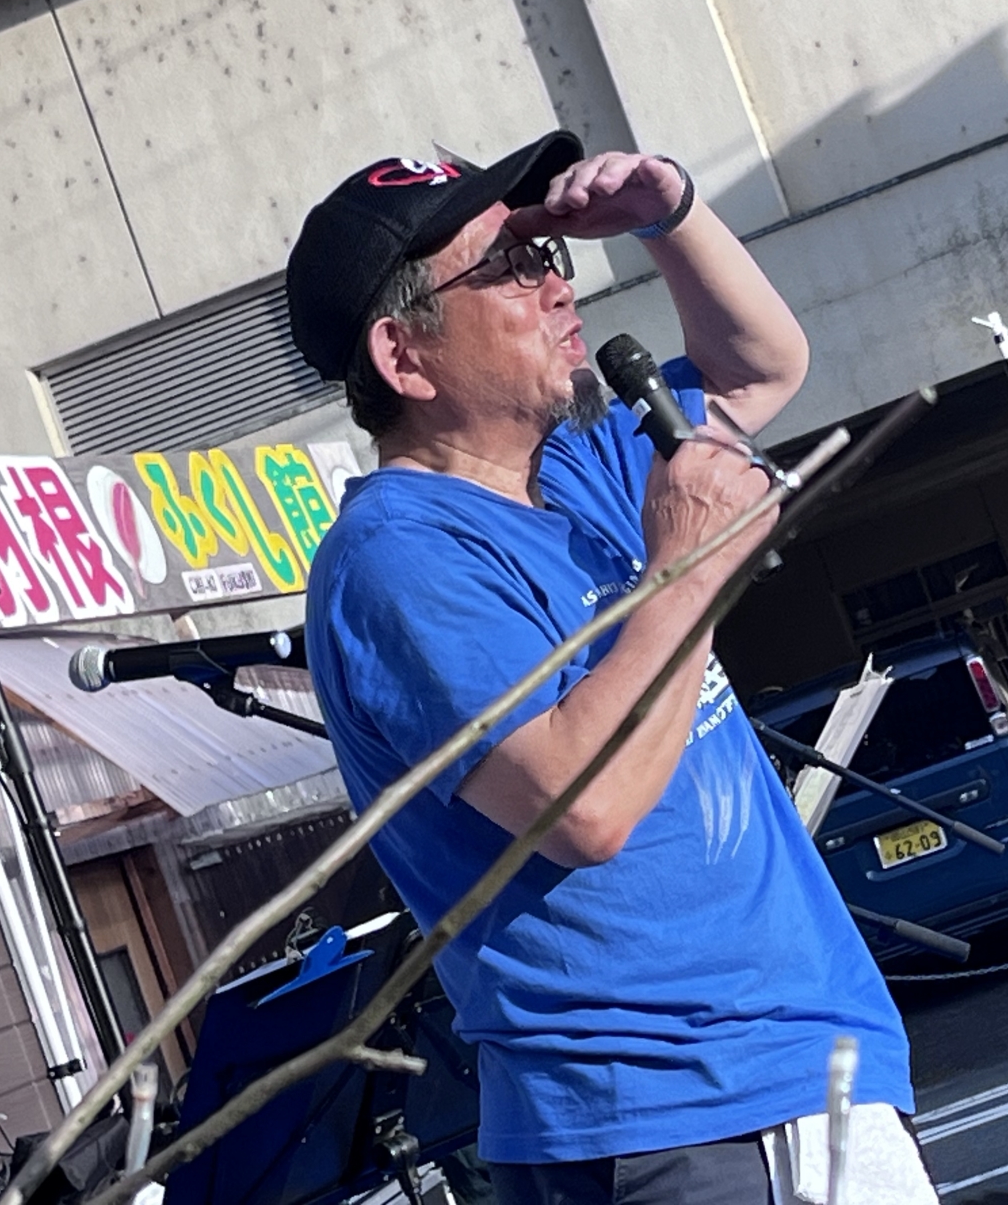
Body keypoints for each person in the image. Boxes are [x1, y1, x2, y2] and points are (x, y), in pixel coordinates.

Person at [286, 135, 934, 1205]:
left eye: (547, 253)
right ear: (404, 357)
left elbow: (760, 366)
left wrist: (668, 216)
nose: (555, 285)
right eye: (508, 267)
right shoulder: (398, 557)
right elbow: (579, 810)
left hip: (797, 1062)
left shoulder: (579, 466)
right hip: (662, 1112)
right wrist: (686, 569)